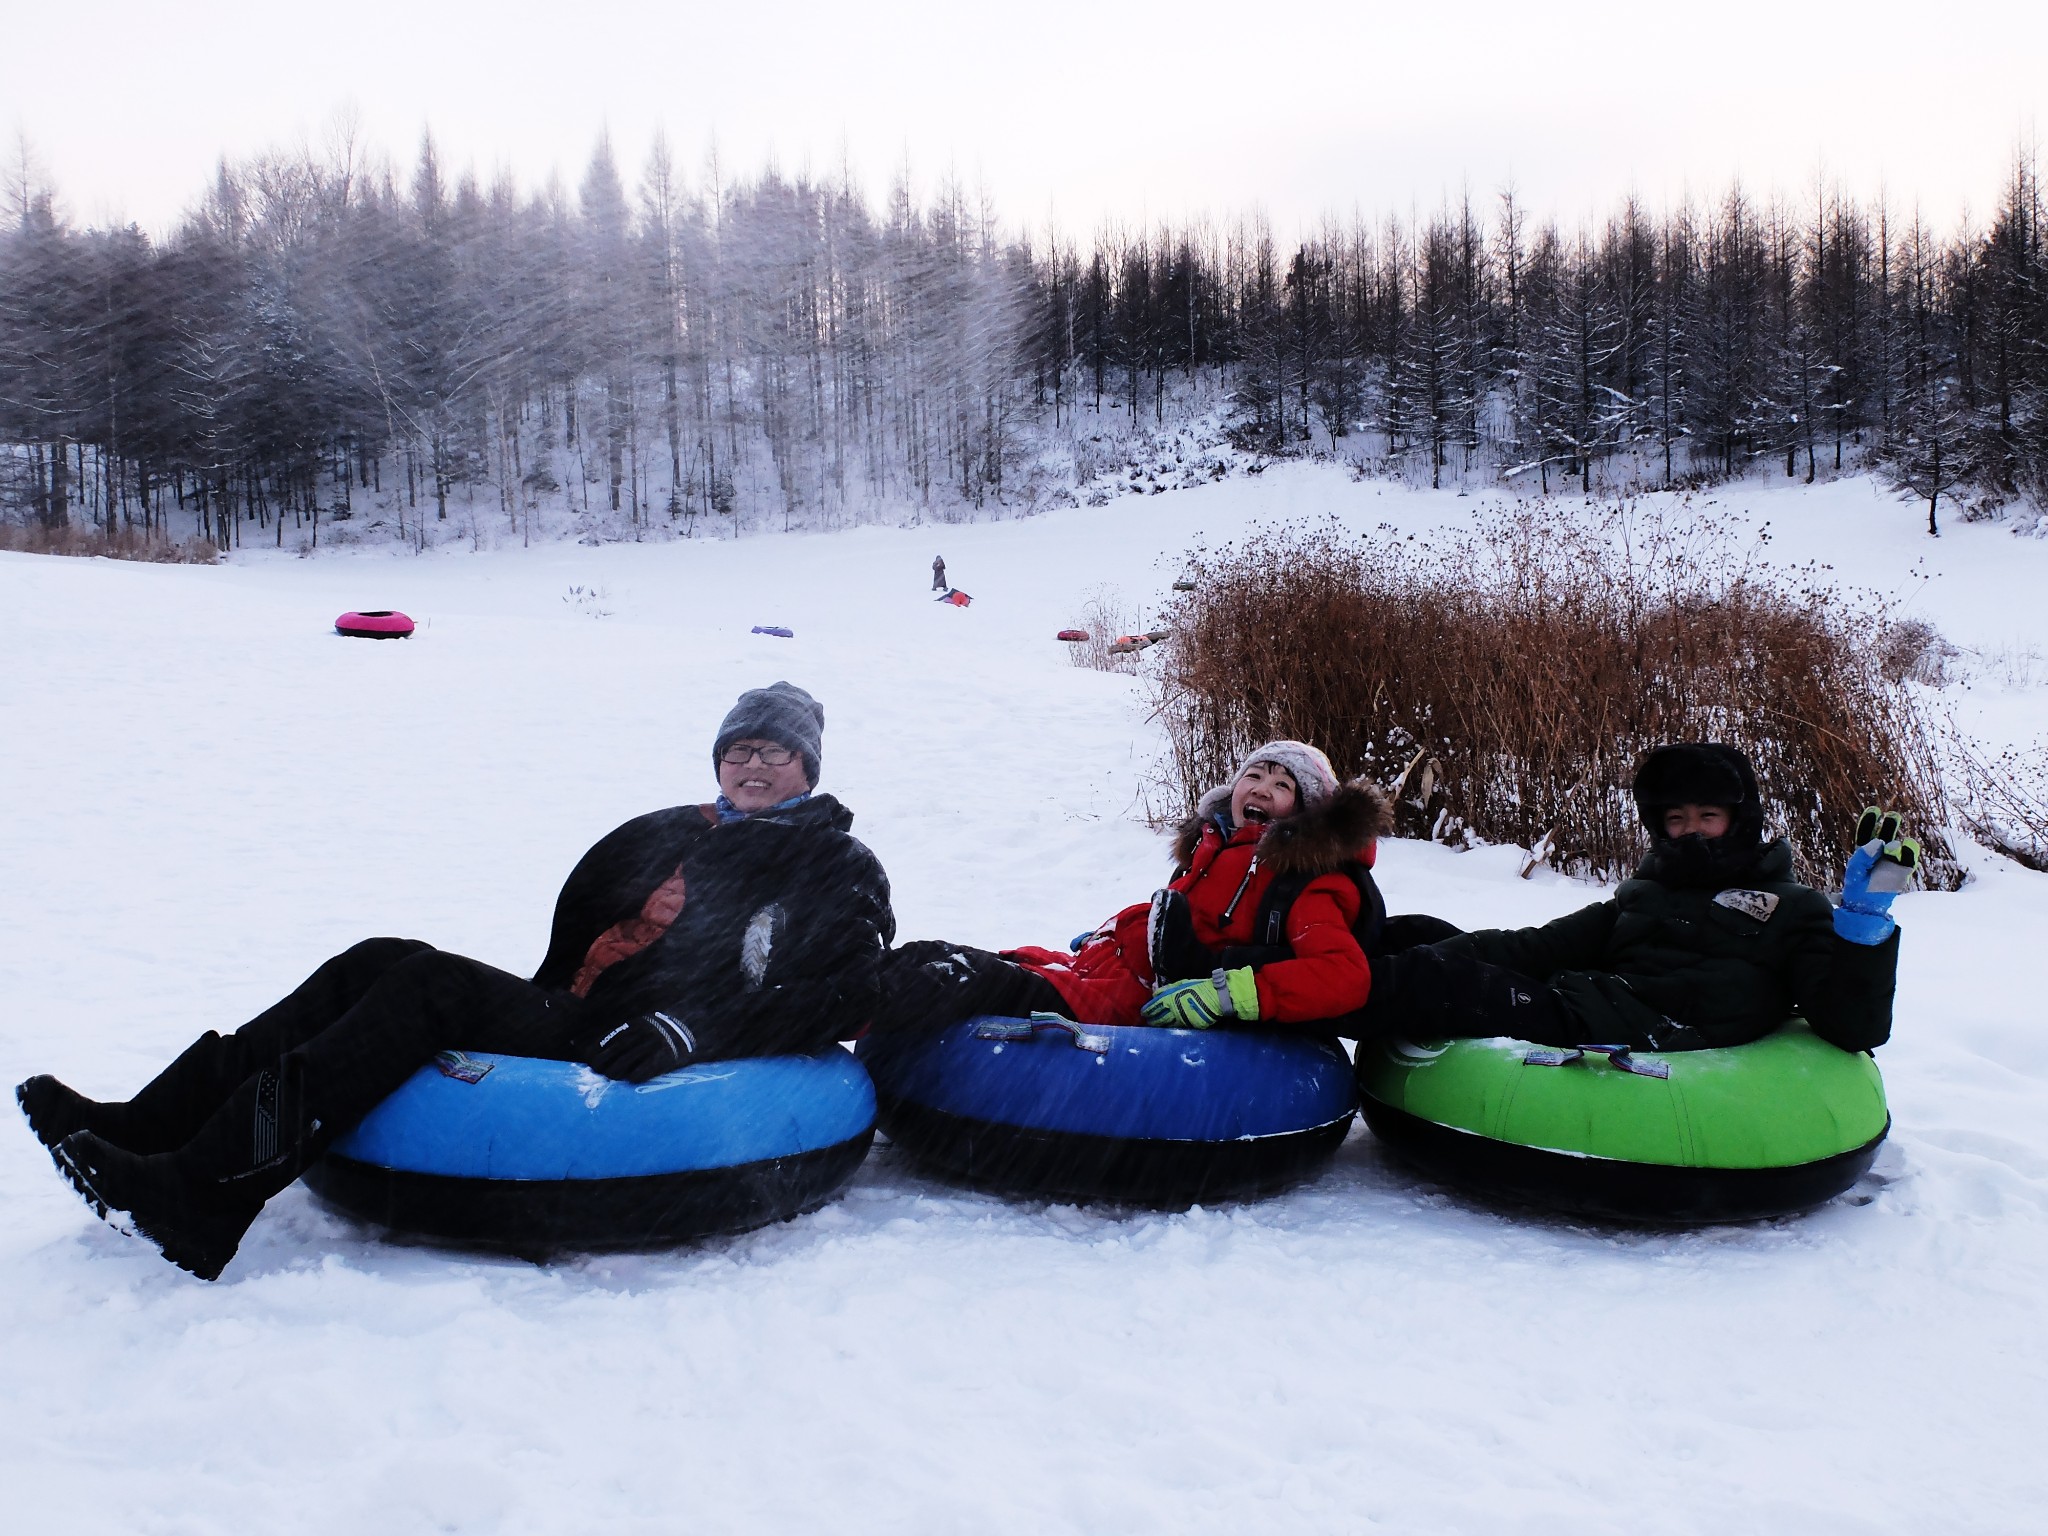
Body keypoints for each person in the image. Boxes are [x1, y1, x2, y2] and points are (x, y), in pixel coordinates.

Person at [18, 681, 894, 1280]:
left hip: (636, 1043)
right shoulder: (679, 831)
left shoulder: (834, 863)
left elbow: (852, 992)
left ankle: (206, 1192)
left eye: (775, 754)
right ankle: (149, 1124)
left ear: (808, 770)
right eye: (739, 748)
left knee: (428, 985)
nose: (752, 765)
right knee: (379, 958)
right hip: (574, 1009)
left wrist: (697, 1029)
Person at [1346, 743, 1905, 1053]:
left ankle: (1303, 1006)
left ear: (1739, 820)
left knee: (1444, 979)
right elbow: (1539, 946)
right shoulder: (1646, 893)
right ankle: (1308, 970)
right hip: (1591, 1000)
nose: (1690, 830)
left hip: (1646, 1027)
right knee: (1417, 934)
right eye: (1676, 818)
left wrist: (1860, 926)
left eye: (1707, 816)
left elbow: (1852, 1027)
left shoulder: (1791, 906)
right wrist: (1448, 950)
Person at [877, 741, 1389, 1034]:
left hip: (1132, 1000)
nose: (1260, 788)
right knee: (932, 955)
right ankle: (826, 998)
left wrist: (1228, 995)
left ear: (1305, 811)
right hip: (1101, 969)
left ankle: (821, 1020)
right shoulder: (1212, 851)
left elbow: (1344, 975)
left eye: (1282, 785)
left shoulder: (1306, 879)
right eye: (1254, 774)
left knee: (953, 980)